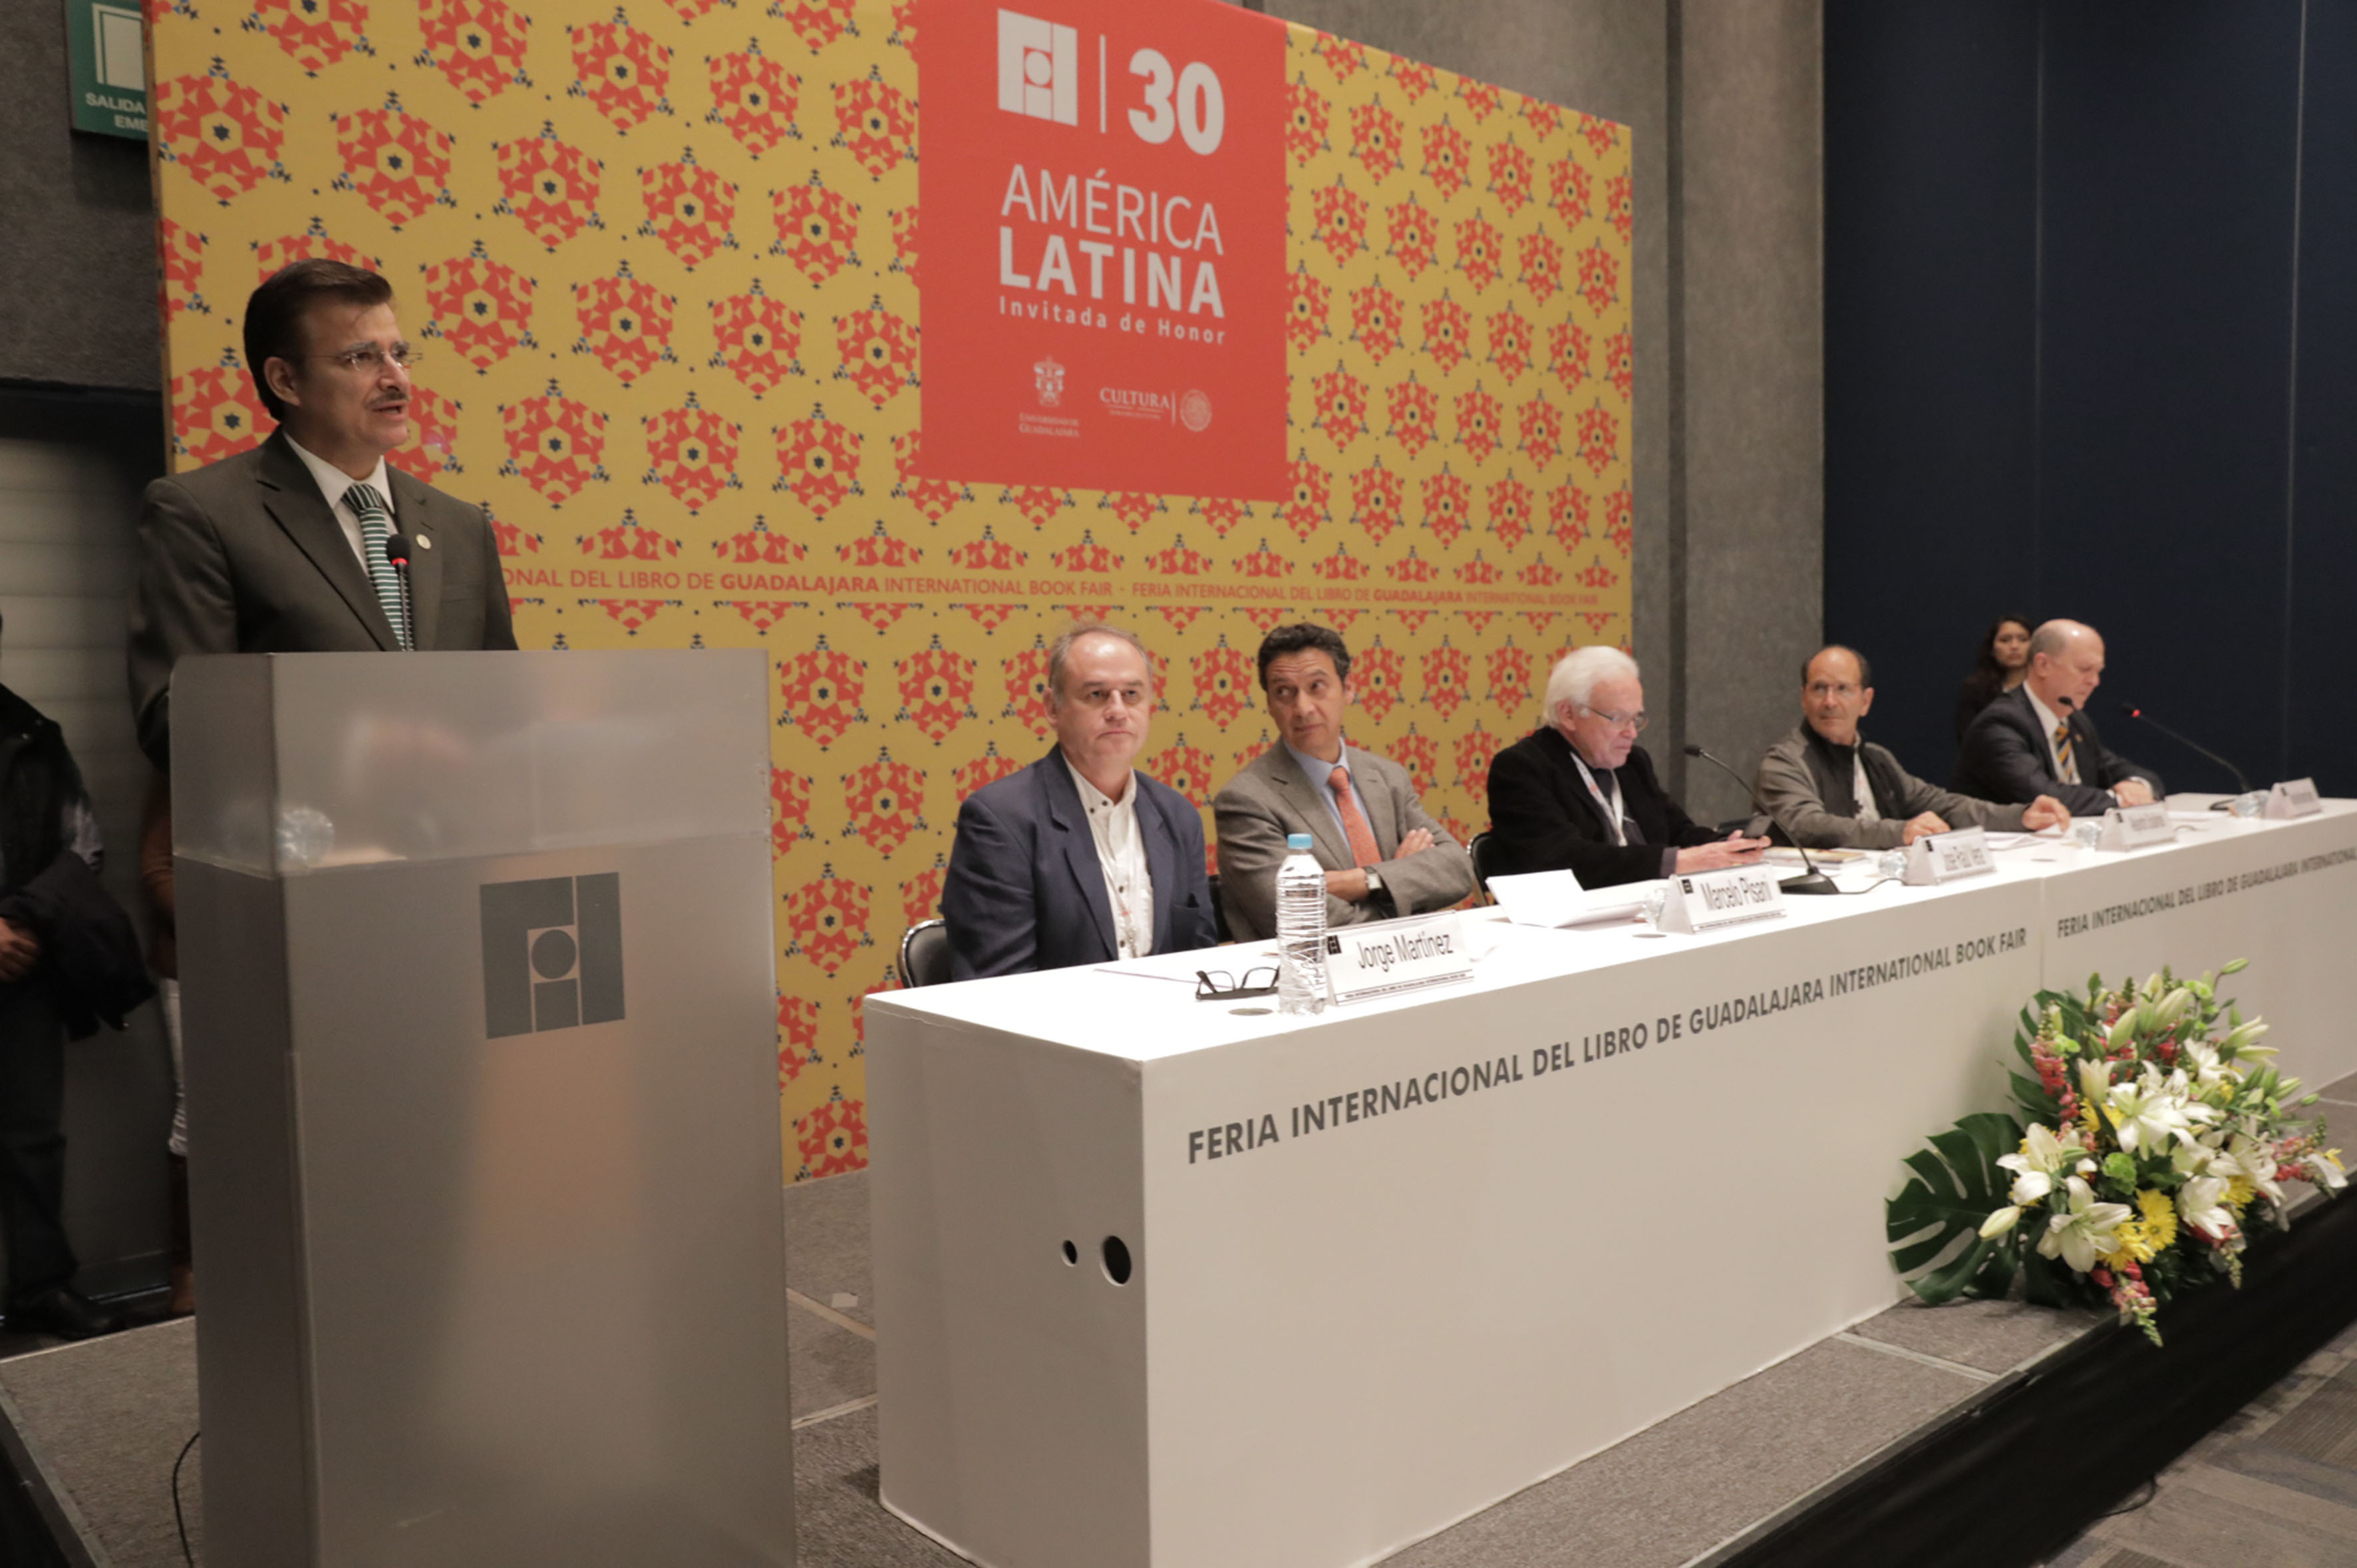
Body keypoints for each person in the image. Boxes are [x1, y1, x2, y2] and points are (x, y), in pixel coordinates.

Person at [128, 259, 517, 771]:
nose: (396, 378)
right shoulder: (202, 514)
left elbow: (505, 700)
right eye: (361, 358)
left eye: (399, 354)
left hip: (454, 816)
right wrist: (365, 744)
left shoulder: (459, 526)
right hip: (302, 817)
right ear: (286, 380)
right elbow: (178, 720)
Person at [0, 617, 139, 1339]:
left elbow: (83, 847)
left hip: (23, 966)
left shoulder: (33, 734)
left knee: (32, 1139)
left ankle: (42, 1288)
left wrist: (20, 922)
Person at [941, 624, 1217, 979]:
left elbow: (1199, 960)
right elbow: (999, 985)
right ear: (1052, 707)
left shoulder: (1178, 816)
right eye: (1097, 695)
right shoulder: (1001, 821)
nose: (1118, 710)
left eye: (1132, 694)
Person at [1212, 624, 1476, 942]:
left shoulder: (1387, 777)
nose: (1303, 708)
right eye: (1284, 692)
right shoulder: (1246, 800)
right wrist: (1402, 887)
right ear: (1269, 704)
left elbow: (1457, 869)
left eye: (1317, 687)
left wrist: (1364, 881)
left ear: (1348, 689)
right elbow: (1303, 922)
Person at [1485, 647, 1768, 888]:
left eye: (1636, 719)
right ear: (1568, 714)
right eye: (1618, 719)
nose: (1631, 733)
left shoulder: (1632, 763)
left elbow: (1677, 831)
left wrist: (1726, 845)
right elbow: (1563, 861)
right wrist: (1677, 862)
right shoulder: (1522, 769)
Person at [1758, 646, 2072, 850]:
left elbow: (1943, 805)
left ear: (1865, 701)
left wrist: (2020, 816)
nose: (1830, 701)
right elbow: (1807, 825)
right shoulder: (1785, 762)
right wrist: (1900, 832)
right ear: (1803, 699)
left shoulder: (1876, 758)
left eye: (1843, 689)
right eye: (1819, 689)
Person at [1953, 619, 2164, 816]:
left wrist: (2138, 785)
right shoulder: (2000, 724)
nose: (2095, 681)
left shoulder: (2076, 721)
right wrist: (2120, 800)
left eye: (2098, 671)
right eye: (2085, 669)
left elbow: (2116, 768)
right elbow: (2045, 797)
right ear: (2043, 665)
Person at [1953, 614, 2033, 741]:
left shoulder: (2047, 688)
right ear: (1992, 649)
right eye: (2005, 640)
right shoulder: (1976, 689)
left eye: (2023, 639)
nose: (2014, 646)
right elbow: (1968, 738)